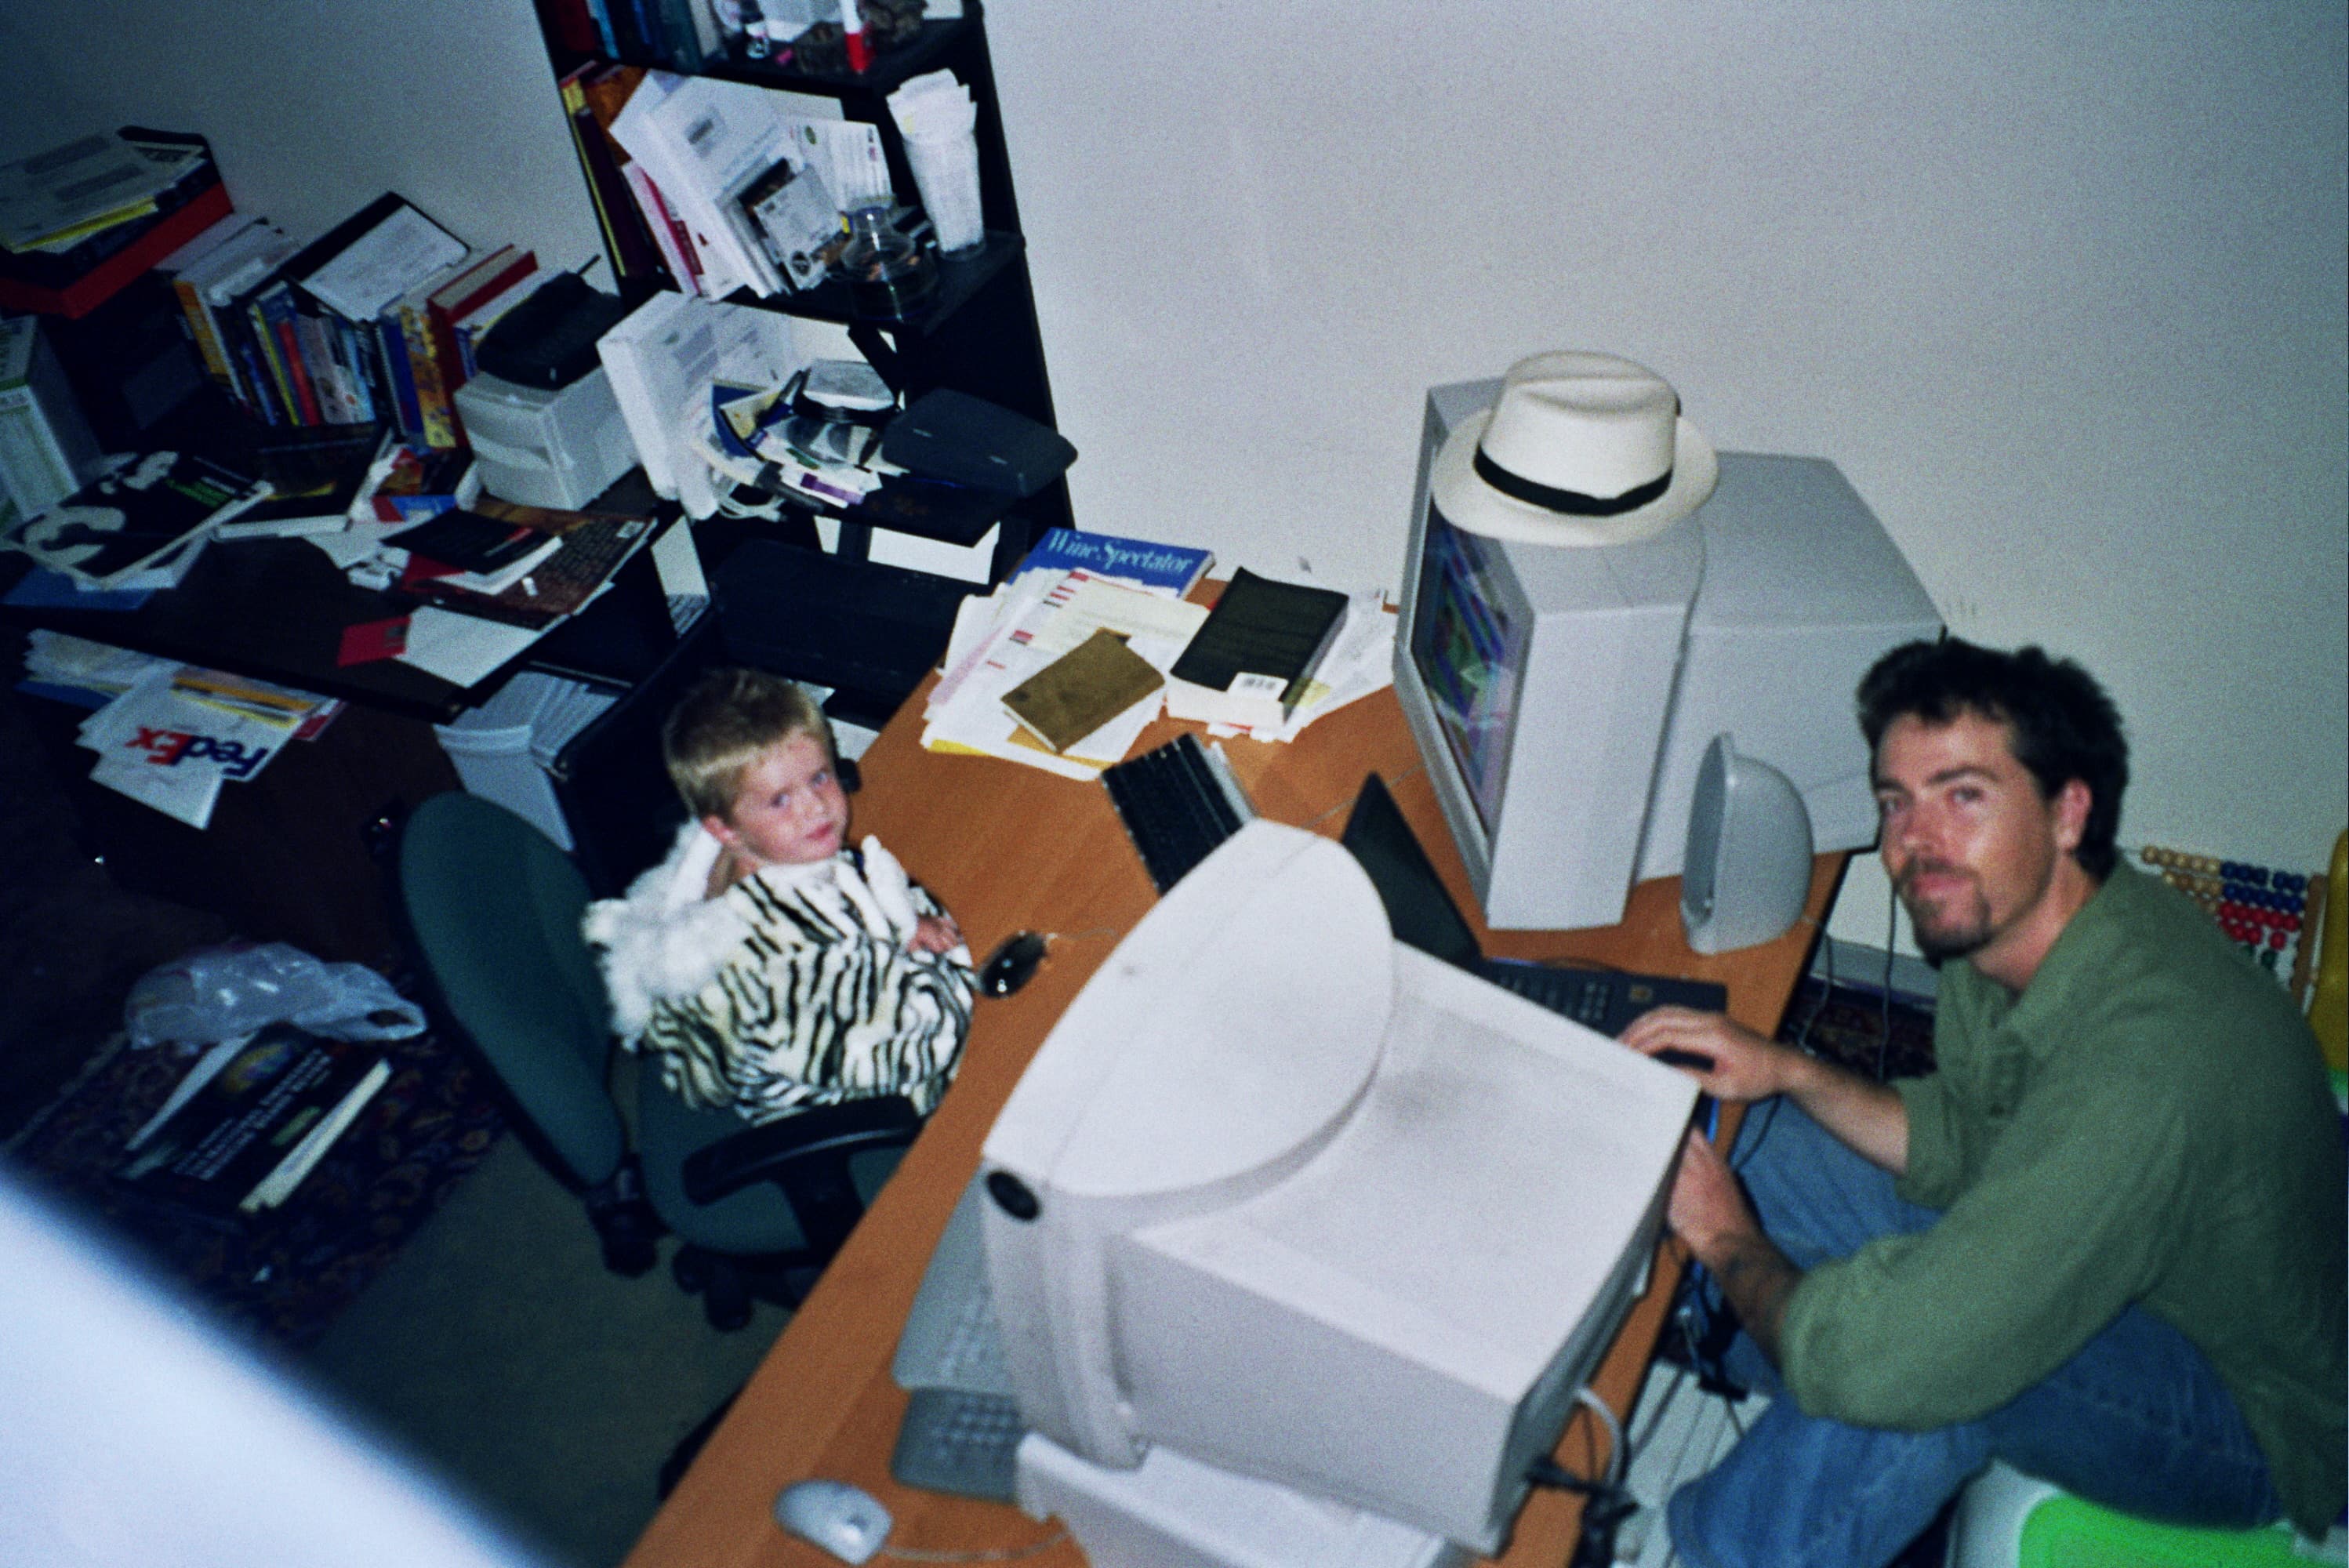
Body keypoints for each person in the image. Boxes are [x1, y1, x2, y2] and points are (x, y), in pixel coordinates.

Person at [1622, 637, 2347, 1568]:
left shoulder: (2145, 1076)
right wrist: (1790, 1071)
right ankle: (1649, 1340)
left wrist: (1728, 1239)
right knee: (1739, 1133)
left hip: (2245, 1408)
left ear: (2064, 810)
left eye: (1962, 795)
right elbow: (1969, 1140)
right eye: (1895, 802)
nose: (1913, 841)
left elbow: (1901, 1360)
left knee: (1932, 1371)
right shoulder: (2014, 931)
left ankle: (1710, 1551)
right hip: (2134, 1247)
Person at [583, 666, 976, 1123]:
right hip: (852, 1091)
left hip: (843, 1018)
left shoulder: (756, 853)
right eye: (780, 800)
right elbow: (924, 1043)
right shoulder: (780, 965)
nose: (816, 807)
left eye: (819, 777)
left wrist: (905, 920)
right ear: (724, 828)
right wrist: (945, 956)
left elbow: (849, 893)